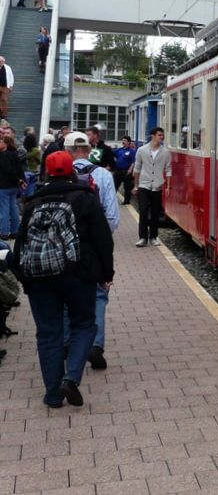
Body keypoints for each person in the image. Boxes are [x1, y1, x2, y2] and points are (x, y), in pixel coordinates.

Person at [4, 150, 115, 407]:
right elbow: (103, 240)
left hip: (39, 278)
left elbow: (20, 246)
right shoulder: (85, 198)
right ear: (73, 171)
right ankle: (71, 379)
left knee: (48, 333)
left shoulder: (32, 203)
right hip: (78, 275)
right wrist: (105, 276)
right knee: (84, 325)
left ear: (46, 172)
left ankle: (52, 394)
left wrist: (25, 279)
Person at [66, 131, 119, 370]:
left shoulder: (59, 176)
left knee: (67, 297)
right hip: (95, 247)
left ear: (66, 151)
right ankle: (95, 346)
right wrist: (100, 238)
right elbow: (112, 216)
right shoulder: (102, 175)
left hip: (64, 246)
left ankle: (69, 343)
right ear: (90, 150)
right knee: (97, 295)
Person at [133, 127, 171, 247]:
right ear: (152, 136)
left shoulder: (165, 152)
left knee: (155, 212)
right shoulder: (142, 150)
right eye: (160, 135)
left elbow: (168, 169)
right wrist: (136, 186)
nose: (162, 137)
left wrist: (168, 186)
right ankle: (142, 237)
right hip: (144, 185)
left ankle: (153, 237)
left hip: (157, 186)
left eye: (162, 135)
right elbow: (137, 168)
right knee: (143, 211)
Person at [0, 135, 26, 238]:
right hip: (14, 186)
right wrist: (21, 181)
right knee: (13, 208)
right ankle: (15, 230)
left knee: (4, 209)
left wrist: (18, 180)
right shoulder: (14, 154)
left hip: (3, 185)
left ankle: (4, 232)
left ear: (5, 143)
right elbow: (20, 169)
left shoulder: (3, 155)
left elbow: (8, 170)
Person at [113, 136, 136, 204]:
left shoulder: (131, 151)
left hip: (126, 171)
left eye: (125, 140)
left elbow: (133, 161)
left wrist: (130, 170)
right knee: (115, 185)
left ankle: (126, 201)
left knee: (127, 187)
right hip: (118, 170)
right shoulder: (119, 150)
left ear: (129, 142)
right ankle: (112, 200)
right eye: (123, 140)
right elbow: (111, 152)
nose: (123, 142)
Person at [23, 133, 40, 199]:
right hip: (33, 170)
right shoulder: (36, 150)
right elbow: (39, 161)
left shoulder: (25, 150)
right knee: (31, 189)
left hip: (25, 170)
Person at [0, 56, 14, 120]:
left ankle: (3, 114)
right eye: (0, 61)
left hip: (5, 87)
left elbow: (11, 77)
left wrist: (11, 85)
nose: (1, 62)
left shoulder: (7, 67)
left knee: (4, 100)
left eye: (2, 61)